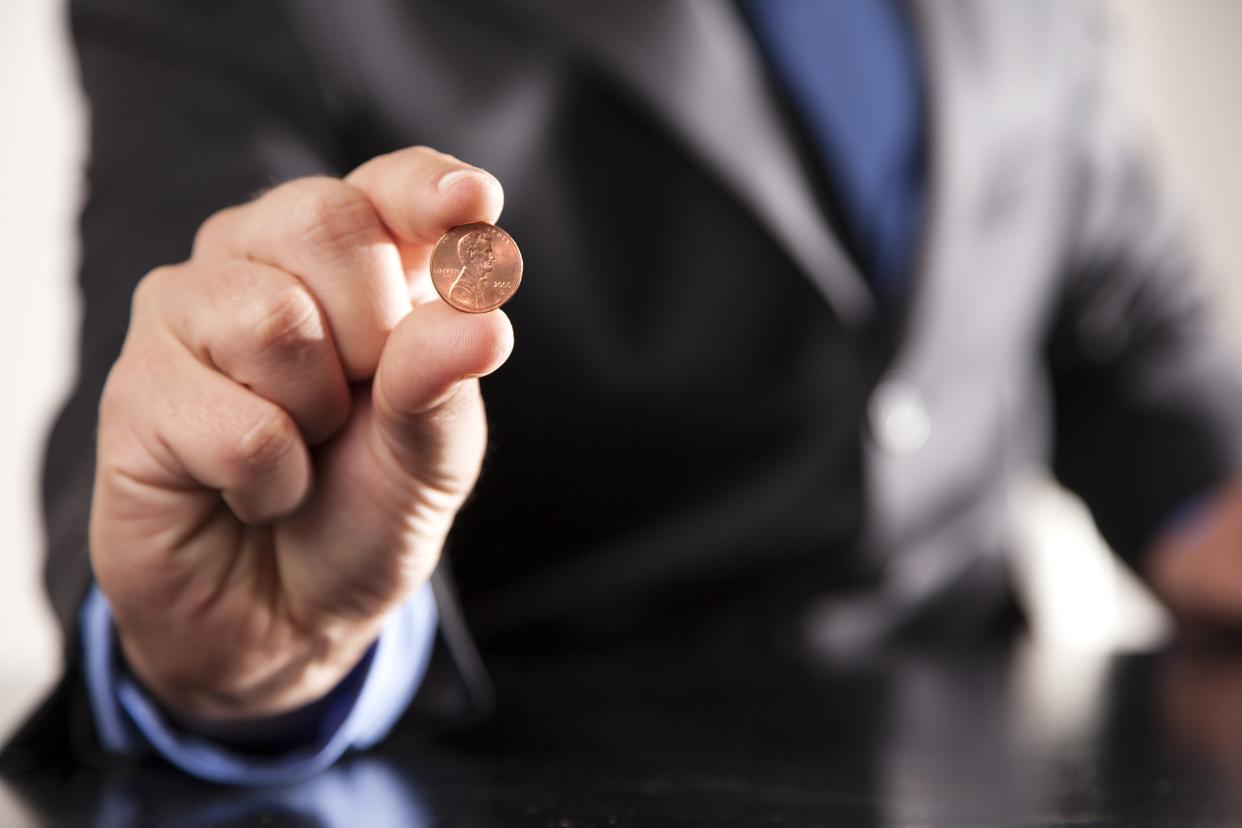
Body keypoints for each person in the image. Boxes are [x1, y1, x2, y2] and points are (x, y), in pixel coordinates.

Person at [7, 0, 1242, 784]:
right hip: (546, 771)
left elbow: (1120, 314)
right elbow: (177, 337)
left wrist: (1208, 497)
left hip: (998, 765)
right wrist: (245, 660)